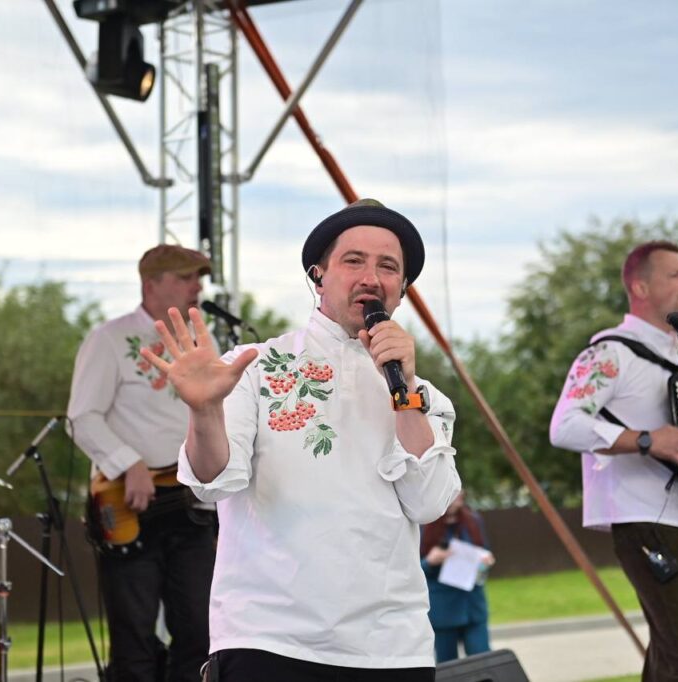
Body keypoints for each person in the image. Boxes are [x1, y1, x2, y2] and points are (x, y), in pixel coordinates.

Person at [140, 199, 461, 682]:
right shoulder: (254, 366)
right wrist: (204, 411)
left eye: (388, 266)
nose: (371, 277)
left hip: (391, 649)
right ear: (318, 275)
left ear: (402, 289)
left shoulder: (423, 395)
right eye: (353, 260)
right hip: (270, 640)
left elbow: (430, 502)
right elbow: (212, 482)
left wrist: (406, 392)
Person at [549, 240, 678, 681]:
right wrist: (646, 440)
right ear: (640, 287)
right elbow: (564, 426)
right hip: (645, 518)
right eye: (675, 274)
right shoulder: (609, 353)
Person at [67, 244, 217, 682]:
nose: (197, 287)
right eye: (185, 277)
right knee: (134, 641)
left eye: (198, 278)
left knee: (199, 632)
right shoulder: (109, 339)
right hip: (130, 507)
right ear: (151, 284)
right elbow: (82, 417)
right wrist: (128, 464)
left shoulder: (203, 342)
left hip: (192, 507)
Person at [420, 491, 495, 663]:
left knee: (483, 661)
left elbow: (485, 552)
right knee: (449, 666)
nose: (455, 498)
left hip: (473, 606)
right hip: (443, 609)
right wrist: (430, 561)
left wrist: (486, 561)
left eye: (458, 493)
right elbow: (413, 569)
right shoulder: (423, 524)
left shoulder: (474, 521)